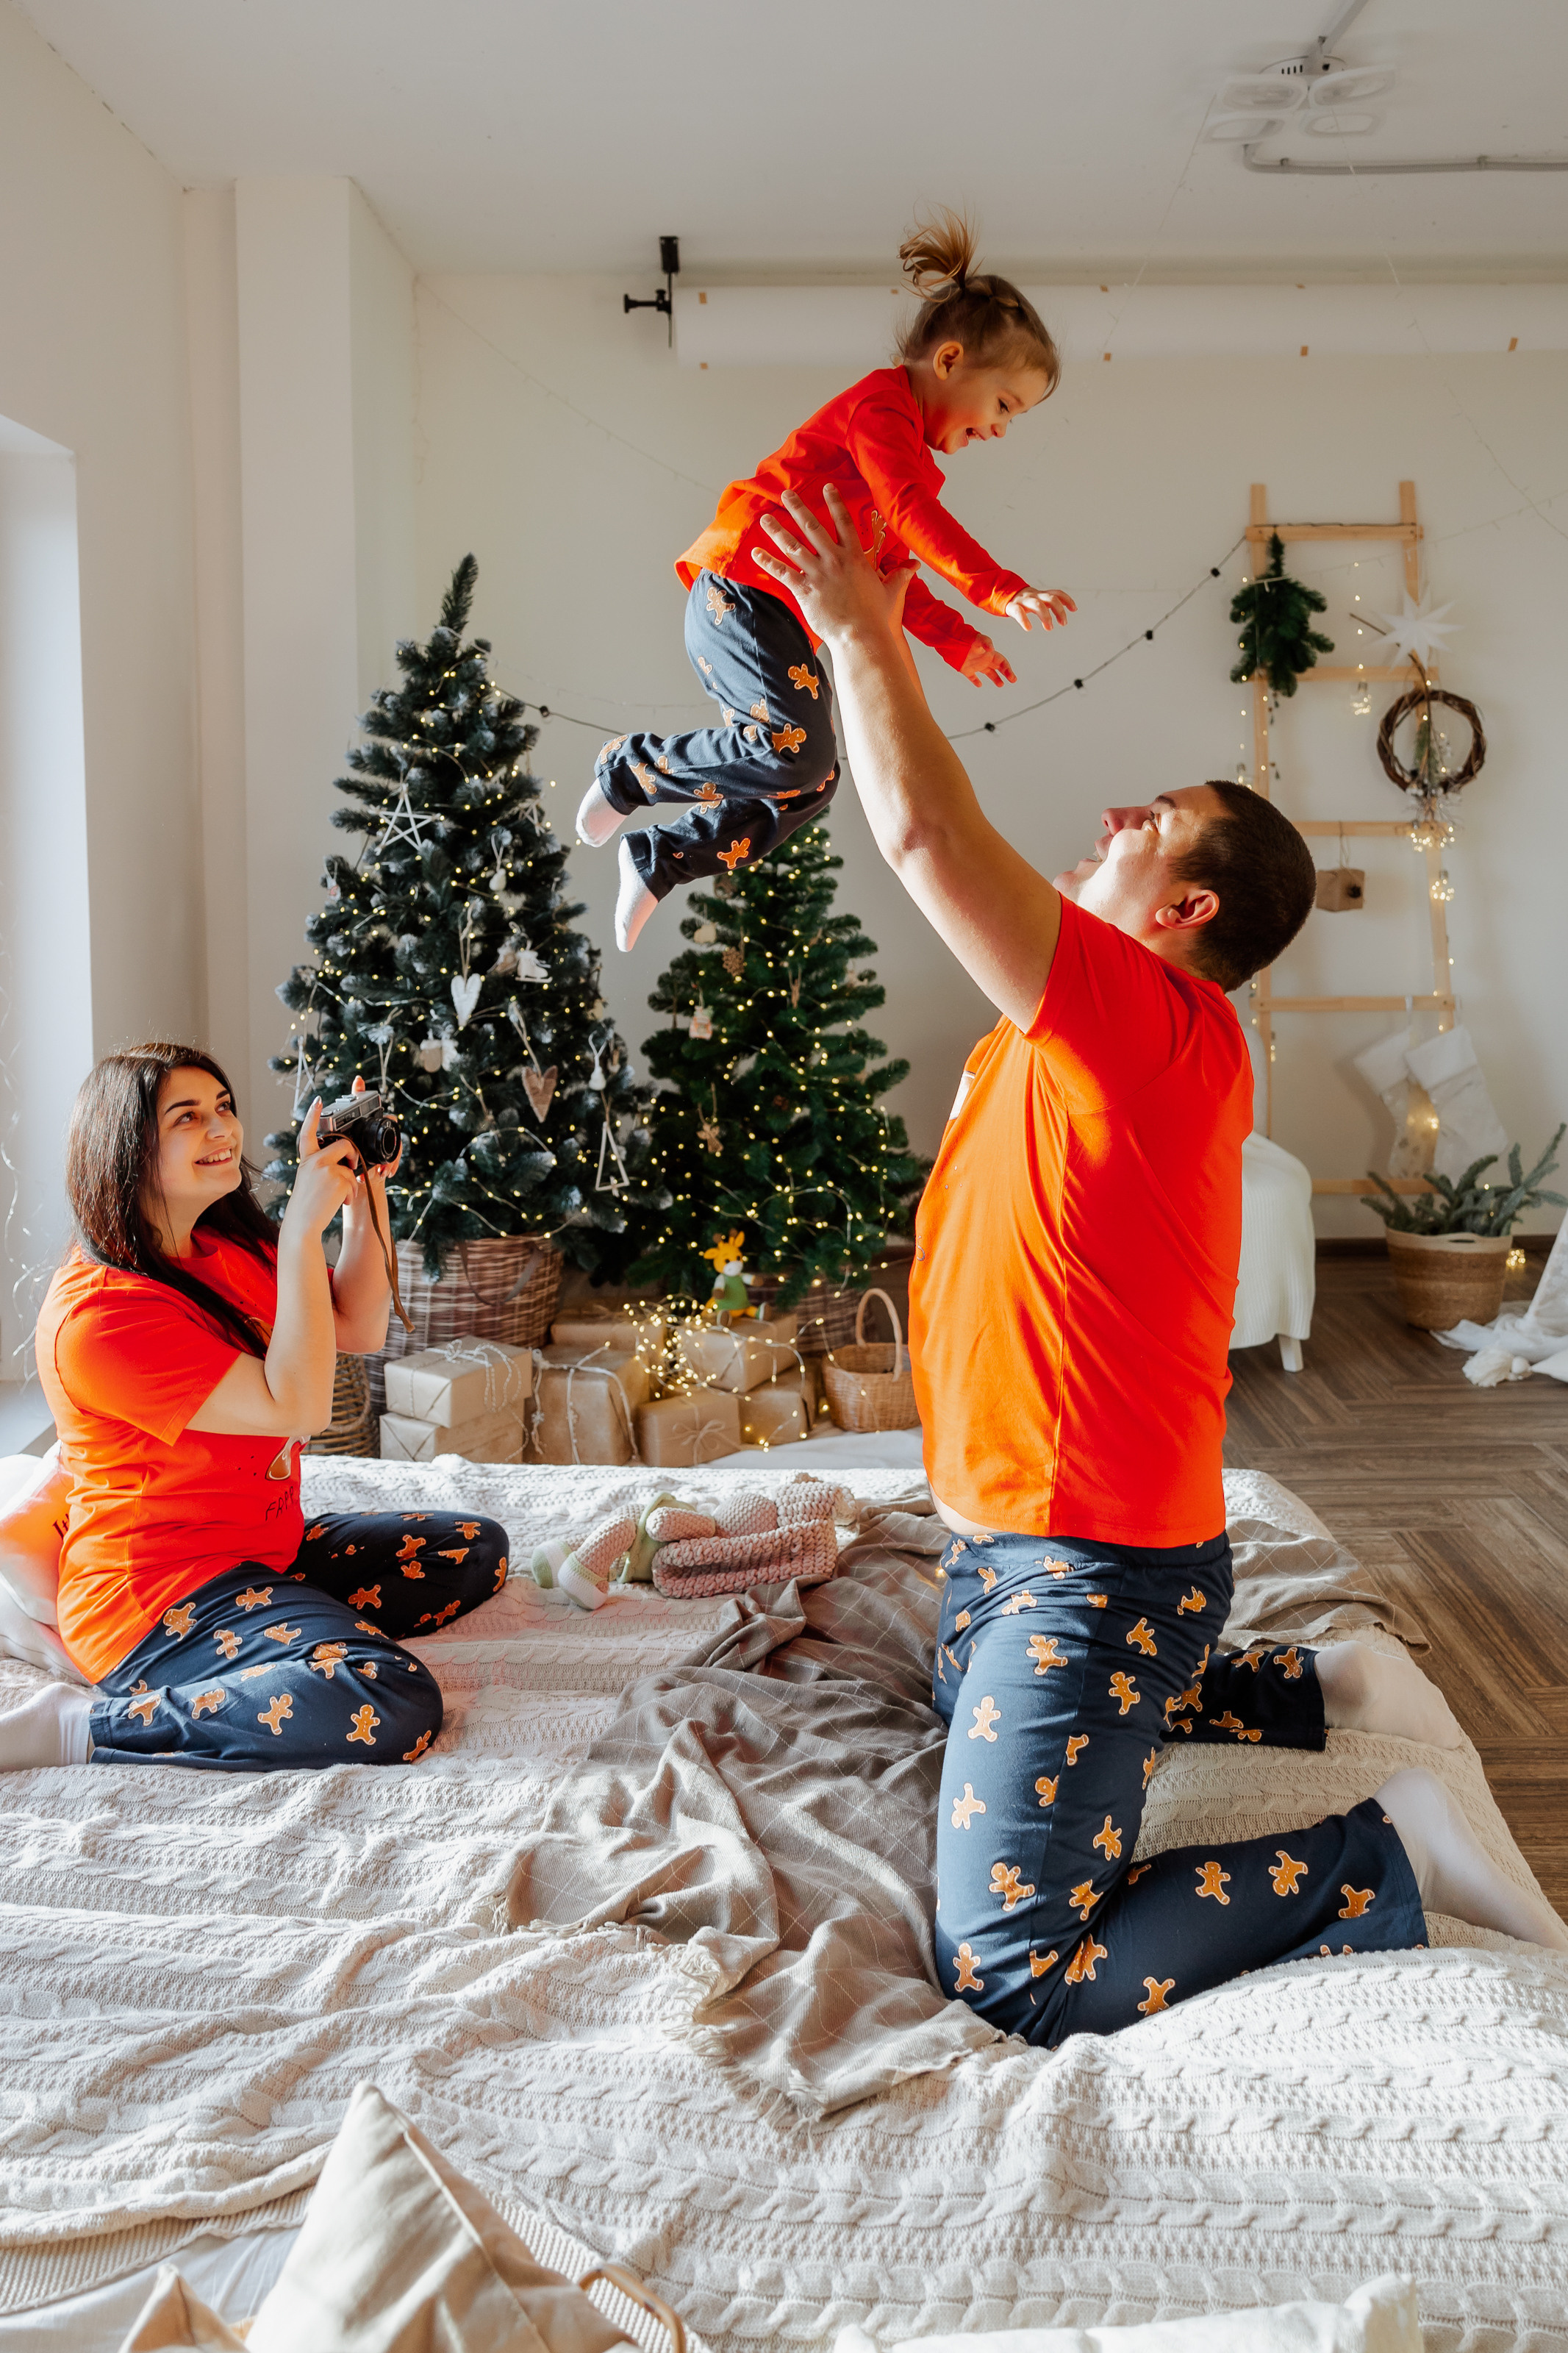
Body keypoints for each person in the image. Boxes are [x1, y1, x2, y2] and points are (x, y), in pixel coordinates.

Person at [751, 486, 1568, 2043]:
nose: (1112, 819)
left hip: (1091, 1567)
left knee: (1011, 1971)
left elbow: (925, 833)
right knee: (956, 1708)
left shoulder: (1151, 1019)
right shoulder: (1056, 1032)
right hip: (1022, 1543)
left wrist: (861, 625)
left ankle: (1380, 1844)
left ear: (1184, 910)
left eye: (1147, 823)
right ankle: (1321, 1692)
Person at [576, 211, 1075, 952]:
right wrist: (999, 589)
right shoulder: (881, 409)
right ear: (949, 361)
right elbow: (910, 513)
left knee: (810, 782)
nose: (1002, 430)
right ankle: (632, 769)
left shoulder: (902, 456)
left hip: (786, 615)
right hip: (741, 592)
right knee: (791, 751)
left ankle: (663, 855)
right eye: (1003, 405)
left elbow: (895, 572)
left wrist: (960, 642)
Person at [0, 1044, 507, 1773]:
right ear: (127, 1145)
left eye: (224, 1107)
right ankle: (87, 1728)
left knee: (471, 1549)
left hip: (258, 1552)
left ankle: (281, 1637)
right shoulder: (100, 1319)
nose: (223, 1131)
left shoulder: (223, 1243)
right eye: (189, 1117)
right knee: (388, 1698)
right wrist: (302, 1226)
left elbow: (357, 1327)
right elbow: (297, 1406)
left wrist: (365, 1196)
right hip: (154, 1597)